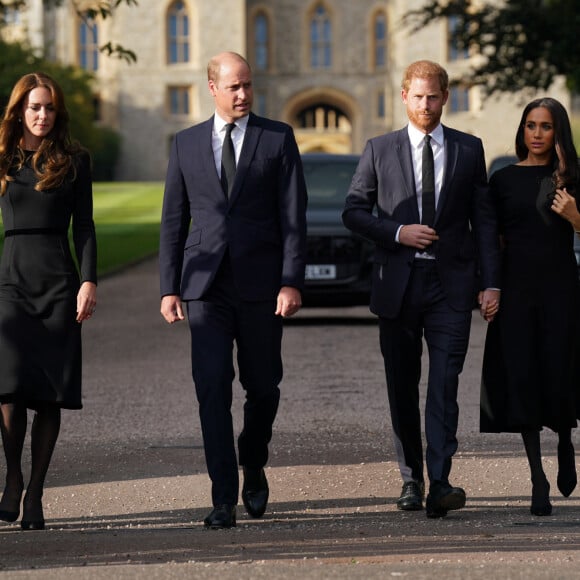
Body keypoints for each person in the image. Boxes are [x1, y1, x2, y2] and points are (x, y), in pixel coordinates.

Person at [342, 60, 501, 518]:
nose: (426, 104)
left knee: (444, 385)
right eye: (418, 96)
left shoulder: (469, 150)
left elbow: (484, 224)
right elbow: (353, 211)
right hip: (399, 286)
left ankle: (441, 480)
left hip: (452, 286)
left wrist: (491, 283)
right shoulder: (379, 149)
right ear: (404, 97)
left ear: (445, 97)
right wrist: (397, 232)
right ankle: (411, 479)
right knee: (402, 385)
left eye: (433, 96)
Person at [159, 51, 307, 529]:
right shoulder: (184, 143)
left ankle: (254, 460)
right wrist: (169, 288)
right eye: (234, 87)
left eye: (248, 85)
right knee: (211, 386)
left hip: (263, 285)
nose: (243, 94)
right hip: (204, 286)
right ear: (212, 87)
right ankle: (223, 495)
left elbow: (293, 216)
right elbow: (173, 221)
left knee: (263, 386)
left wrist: (290, 280)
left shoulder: (277, 138)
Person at [0, 72, 97, 530]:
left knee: (49, 395)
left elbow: (87, 226)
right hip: (12, 280)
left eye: (49, 108)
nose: (42, 115)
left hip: (60, 280)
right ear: (20, 109)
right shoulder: (2, 158)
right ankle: (13, 479)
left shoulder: (75, 160)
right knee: (10, 386)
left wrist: (90, 280)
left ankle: (36, 493)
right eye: (35, 107)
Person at [480, 97, 580, 516]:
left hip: (561, 290)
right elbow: (491, 242)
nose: (537, 134)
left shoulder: (573, 178)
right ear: (523, 130)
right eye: (531, 125)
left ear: (559, 132)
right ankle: (537, 476)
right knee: (522, 375)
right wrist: (491, 288)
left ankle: (563, 440)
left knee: (558, 371)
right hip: (517, 291)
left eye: (546, 126)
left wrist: (576, 216)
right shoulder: (502, 180)